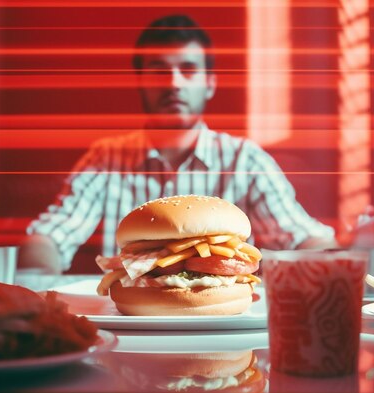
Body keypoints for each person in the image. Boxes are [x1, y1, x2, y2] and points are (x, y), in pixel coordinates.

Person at [19, 14, 336, 274]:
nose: (173, 83)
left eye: (188, 70)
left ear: (210, 83)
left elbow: (302, 239)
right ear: (140, 80)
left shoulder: (246, 159)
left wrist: (341, 255)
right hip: (126, 329)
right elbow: (49, 237)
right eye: (158, 71)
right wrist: (37, 280)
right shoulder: (106, 158)